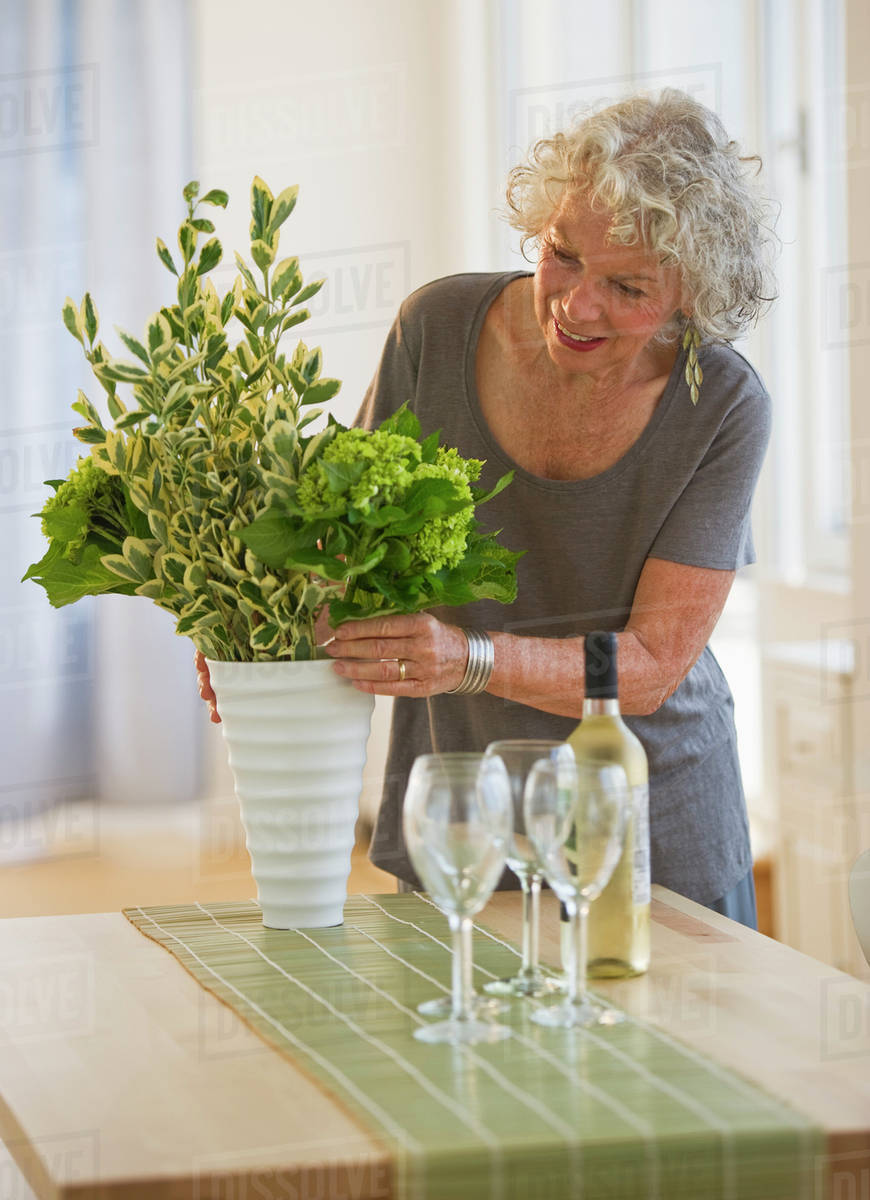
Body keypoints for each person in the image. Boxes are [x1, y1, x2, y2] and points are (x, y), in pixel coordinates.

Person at [198, 89, 774, 929]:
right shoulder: (435, 330)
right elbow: (341, 555)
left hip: (650, 830)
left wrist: (464, 656)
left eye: (626, 286)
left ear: (691, 292)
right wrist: (263, 651)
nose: (577, 304)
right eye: (561, 255)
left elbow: (649, 665)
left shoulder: (723, 404)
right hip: (460, 812)